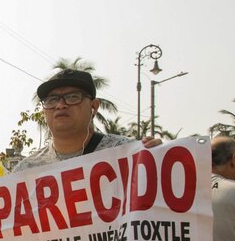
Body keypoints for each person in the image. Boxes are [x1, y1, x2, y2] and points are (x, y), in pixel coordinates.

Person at [11, 69, 160, 172]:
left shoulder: (130, 155)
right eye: (52, 100)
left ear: (93, 107)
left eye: (73, 97)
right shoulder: (25, 171)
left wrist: (160, 160)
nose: (61, 105)